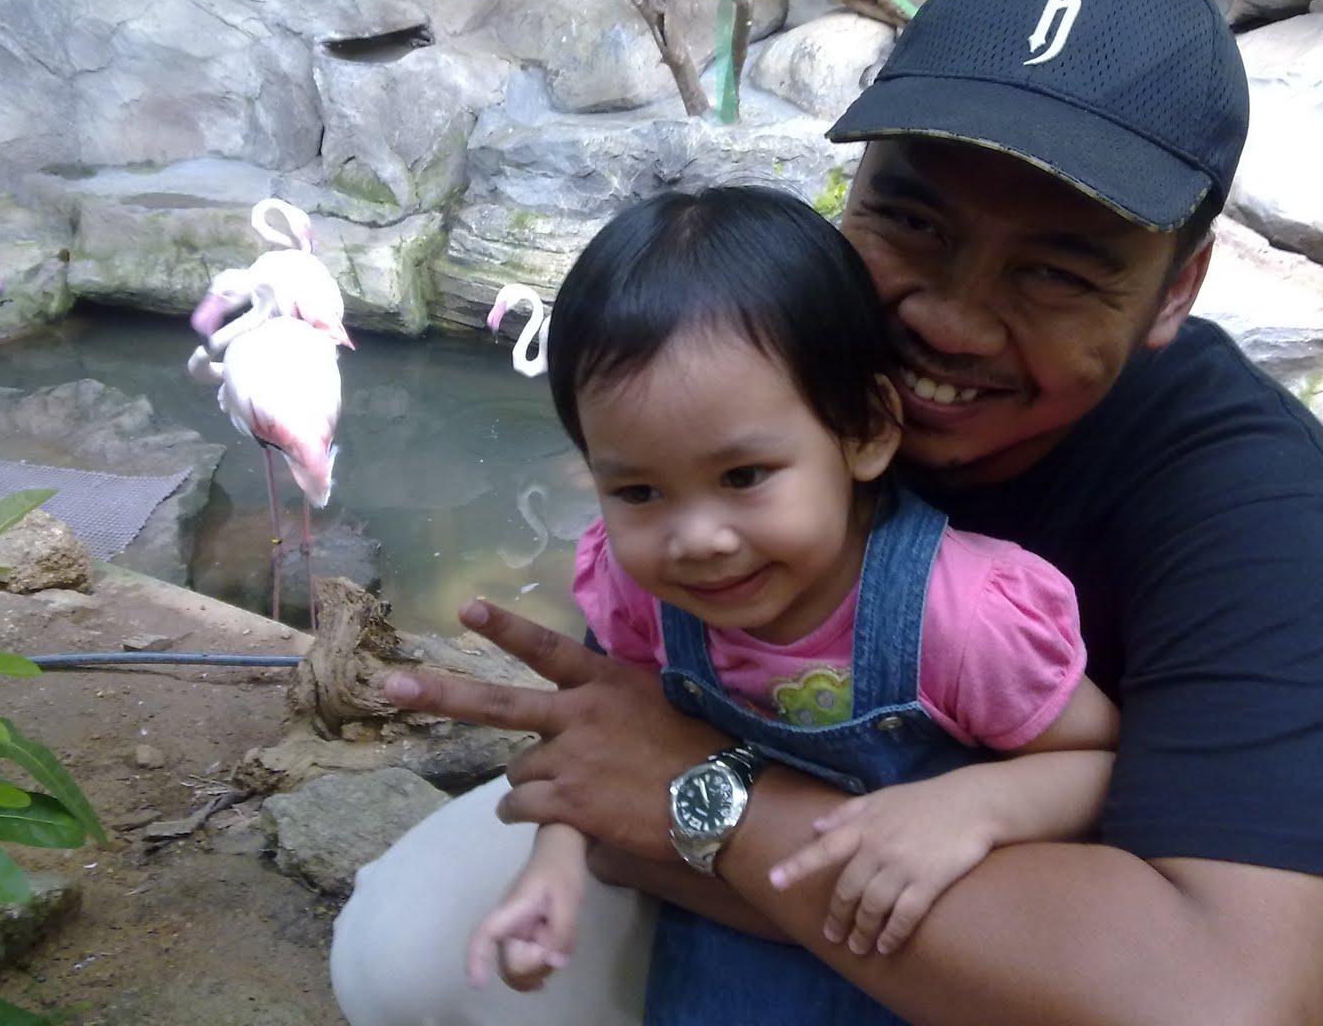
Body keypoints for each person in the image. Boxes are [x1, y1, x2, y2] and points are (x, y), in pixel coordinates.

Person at [331, 0, 1323, 1025]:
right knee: (413, 956)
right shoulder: (760, 353)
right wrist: (619, 808)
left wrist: (709, 814)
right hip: (874, 865)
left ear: (1176, 289)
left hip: (1095, 910)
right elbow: (625, 732)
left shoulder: (1251, 506)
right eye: (909, 221)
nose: (948, 319)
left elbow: (1231, 997)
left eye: (1055, 272)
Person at [463, 186, 1120, 1014]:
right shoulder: (640, 592)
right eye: (637, 491)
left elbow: (1101, 759)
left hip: (924, 962)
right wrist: (554, 865)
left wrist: (977, 805)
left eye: (743, 476)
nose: (696, 538)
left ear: (867, 430)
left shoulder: (959, 616)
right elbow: (606, 742)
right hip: (723, 938)